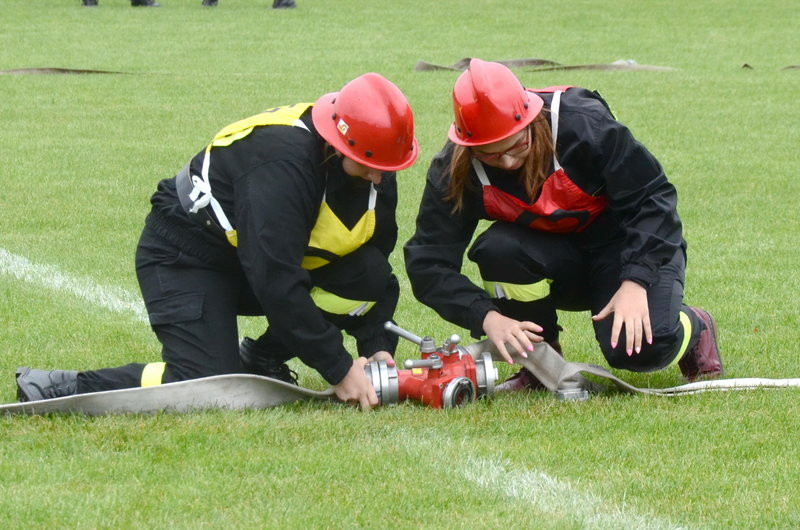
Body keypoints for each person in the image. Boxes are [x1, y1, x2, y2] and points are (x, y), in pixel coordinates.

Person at [15, 73, 418, 411]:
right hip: (186, 254)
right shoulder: (282, 163)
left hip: (253, 257)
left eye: (386, 168)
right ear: (338, 143)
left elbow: (371, 264)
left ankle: (263, 357)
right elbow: (275, 279)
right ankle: (62, 386)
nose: (379, 178)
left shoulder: (374, 163)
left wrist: (377, 346)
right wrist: (339, 368)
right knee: (207, 384)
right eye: (370, 167)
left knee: (367, 274)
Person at [404, 58, 722, 392]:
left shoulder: (583, 125)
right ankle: (542, 365)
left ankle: (697, 325)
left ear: (531, 120)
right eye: (491, 155)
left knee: (640, 351)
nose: (508, 162)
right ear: (469, 146)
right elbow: (429, 263)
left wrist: (636, 281)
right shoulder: (453, 171)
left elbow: (652, 199)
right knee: (497, 248)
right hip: (557, 262)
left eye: (517, 146)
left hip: (625, 251)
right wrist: (487, 317)